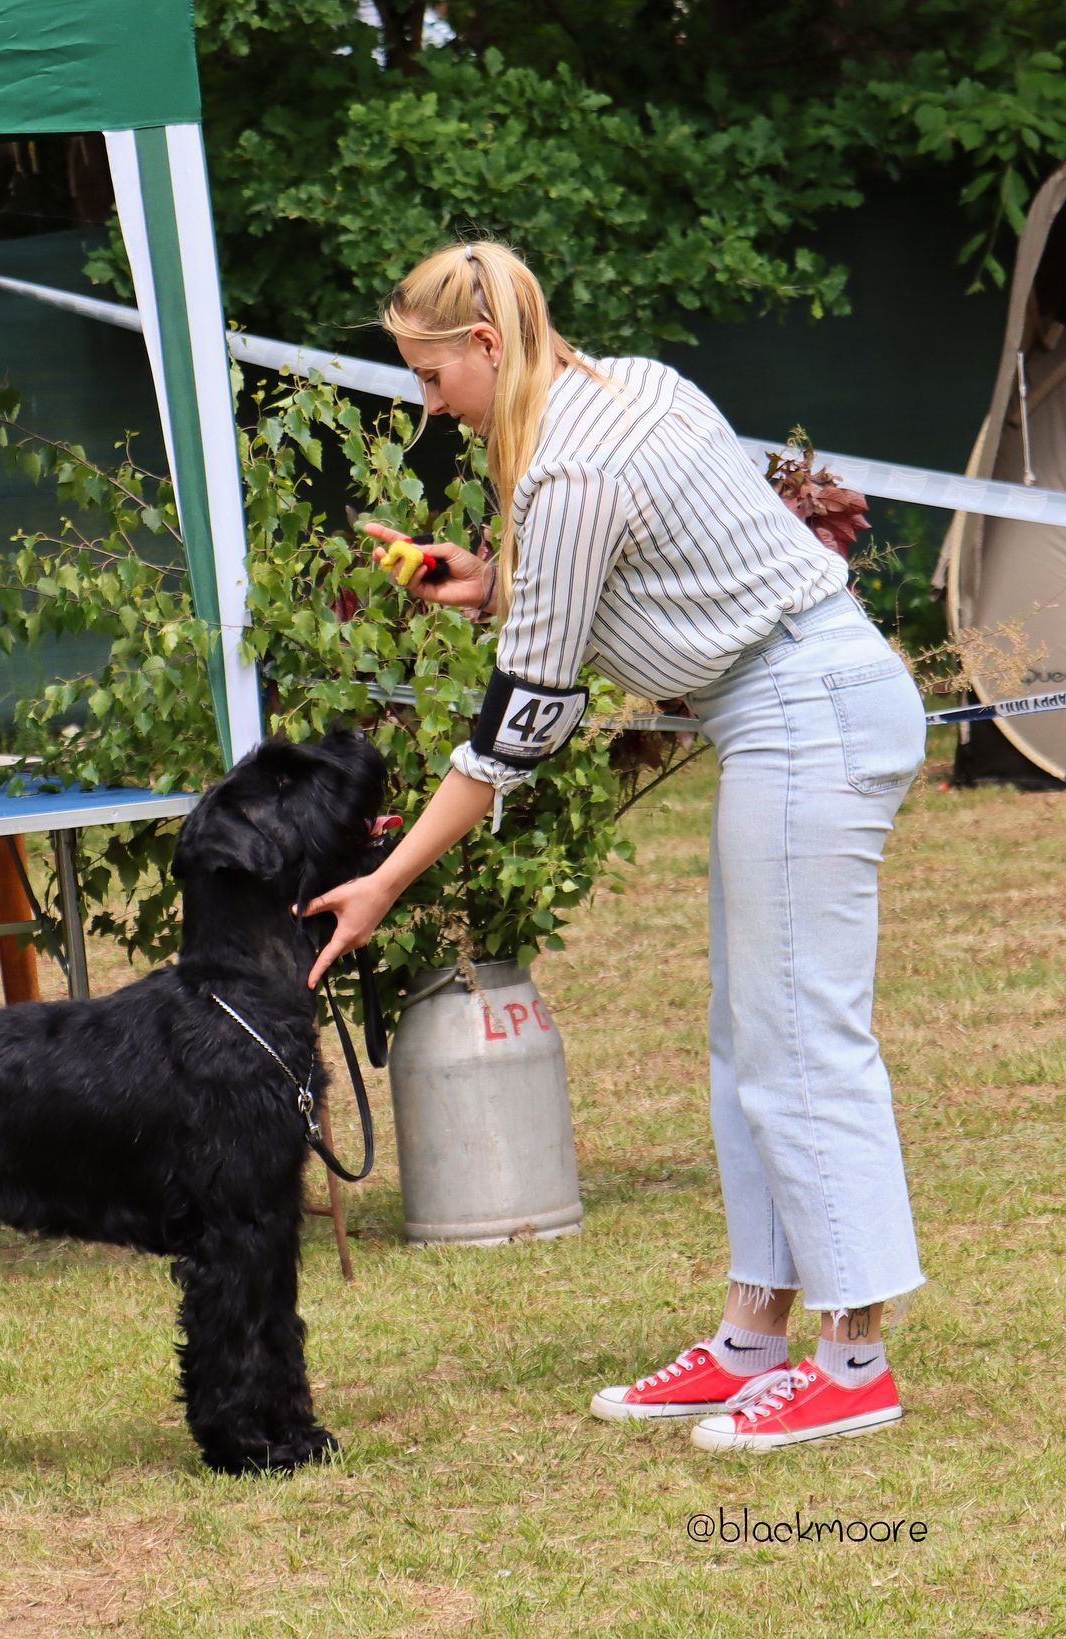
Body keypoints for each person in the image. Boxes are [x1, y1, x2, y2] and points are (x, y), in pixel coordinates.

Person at [303, 241, 926, 1452]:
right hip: (798, 701)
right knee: (752, 1041)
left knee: (803, 1042)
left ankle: (855, 1361)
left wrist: (383, 878)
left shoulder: (568, 470)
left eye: (433, 376)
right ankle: (752, 1337)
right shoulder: (632, 383)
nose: (428, 405)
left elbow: (521, 724)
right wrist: (490, 583)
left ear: (488, 345)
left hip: (805, 709)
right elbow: (661, 572)